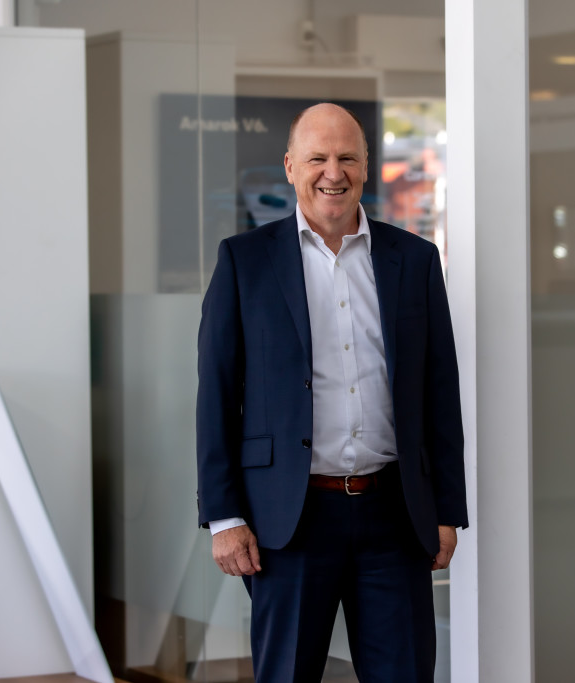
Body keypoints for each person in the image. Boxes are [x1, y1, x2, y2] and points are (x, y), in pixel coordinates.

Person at [196, 102, 467, 683]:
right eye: (317, 158)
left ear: (366, 166)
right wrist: (223, 517)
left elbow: (439, 394)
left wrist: (447, 510)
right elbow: (216, 395)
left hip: (395, 517)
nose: (333, 173)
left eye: (347, 157)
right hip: (288, 522)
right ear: (290, 166)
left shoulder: (415, 260)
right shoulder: (244, 261)